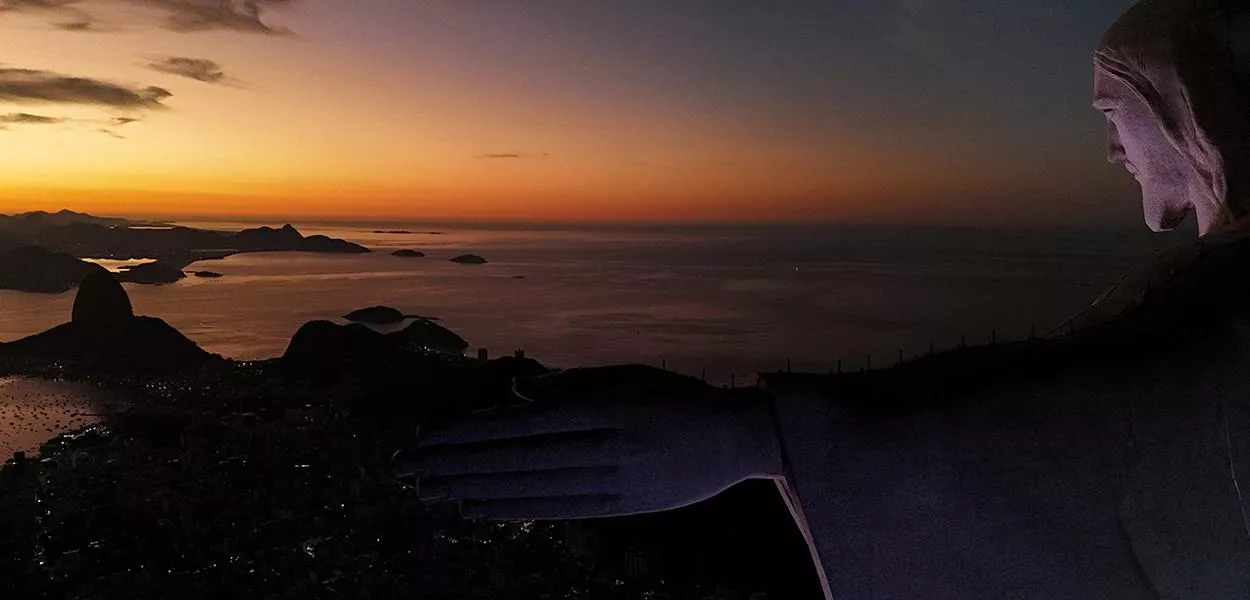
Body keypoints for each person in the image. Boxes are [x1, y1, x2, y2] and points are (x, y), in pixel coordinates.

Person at [394, 1, 1250, 597]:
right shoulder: (1201, 289)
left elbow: (1126, 410)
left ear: (1191, 109)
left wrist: (760, 435)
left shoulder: (1214, 300)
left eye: (1115, 111)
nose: (1109, 150)